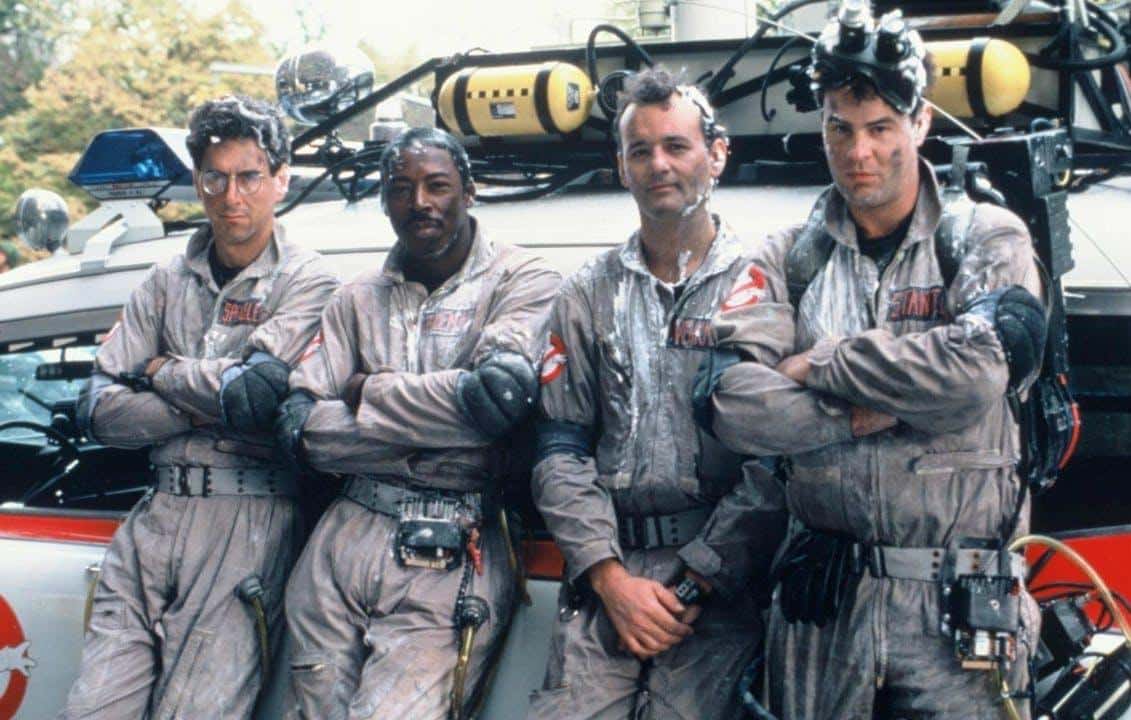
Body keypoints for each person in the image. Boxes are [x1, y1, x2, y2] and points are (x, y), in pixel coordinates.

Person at [695, 6, 1047, 718]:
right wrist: (868, 415)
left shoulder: (985, 238)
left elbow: (977, 375)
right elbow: (729, 404)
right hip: (823, 608)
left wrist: (823, 359)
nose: (859, 152)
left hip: (957, 610)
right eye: (840, 128)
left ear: (920, 123)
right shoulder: (788, 256)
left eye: (881, 127)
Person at [61, 95, 339, 719]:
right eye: (215, 178)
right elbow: (98, 407)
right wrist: (201, 404)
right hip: (154, 514)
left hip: (249, 519)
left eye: (249, 177)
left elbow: (256, 397)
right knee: (91, 710)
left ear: (281, 179)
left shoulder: (309, 280)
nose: (231, 196)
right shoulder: (165, 279)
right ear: (198, 180)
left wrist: (159, 373)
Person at [527, 67, 786, 720]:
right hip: (608, 575)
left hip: (722, 583)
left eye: (676, 146)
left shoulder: (764, 286)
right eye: (639, 150)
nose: (658, 165)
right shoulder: (586, 293)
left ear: (716, 154)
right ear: (621, 166)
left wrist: (698, 578)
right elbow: (559, 447)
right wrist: (609, 578)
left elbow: (777, 460)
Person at [276, 126, 560, 720]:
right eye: (401, 189)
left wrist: (366, 391)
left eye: (437, 185)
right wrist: (427, 437)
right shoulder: (355, 297)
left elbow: (495, 403)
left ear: (469, 191)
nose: (420, 202)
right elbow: (301, 428)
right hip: (342, 537)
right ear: (384, 200)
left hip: (453, 539)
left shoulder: (522, 280)